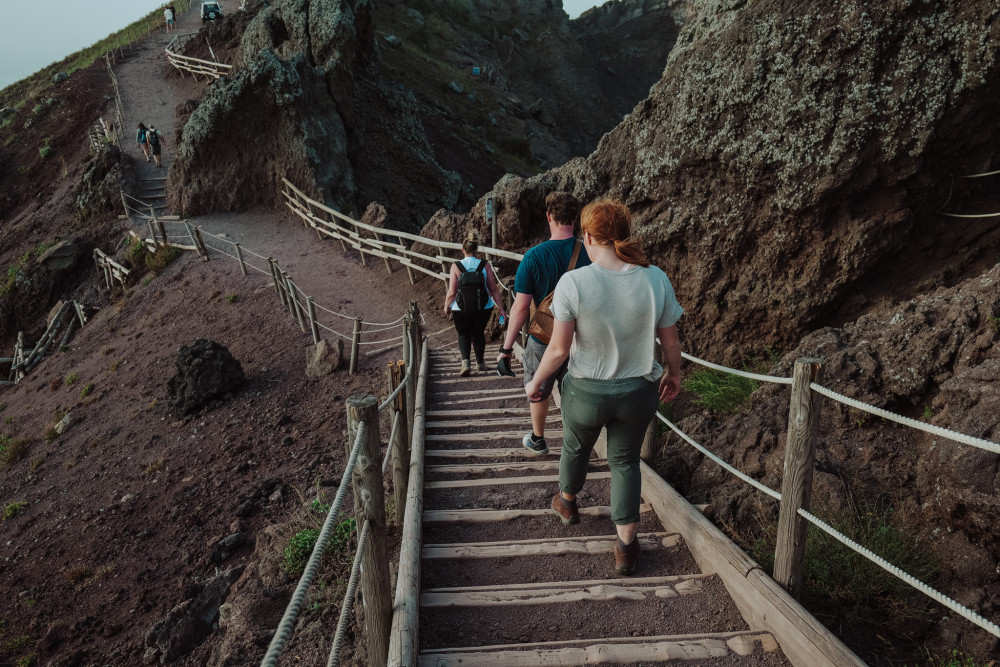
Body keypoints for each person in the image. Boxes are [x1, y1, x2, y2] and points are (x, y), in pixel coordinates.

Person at [524, 199, 683, 576]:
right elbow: (671, 342)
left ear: (590, 236)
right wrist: (673, 374)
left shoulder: (574, 282)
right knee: (625, 461)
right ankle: (626, 546)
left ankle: (566, 502)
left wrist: (536, 380)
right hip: (638, 390)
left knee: (575, 446)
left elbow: (560, 349)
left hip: (586, 391)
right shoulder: (655, 278)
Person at [496, 191, 590, 456]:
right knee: (575, 394)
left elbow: (521, 307)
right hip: (581, 341)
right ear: (575, 218)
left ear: (549, 217)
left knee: (538, 388)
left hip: (544, 339)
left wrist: (506, 348)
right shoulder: (590, 253)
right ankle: (575, 445)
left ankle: (538, 439)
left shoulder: (533, 257)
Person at [444, 231, 508, 376]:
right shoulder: (485, 265)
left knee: (463, 334)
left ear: (463, 250)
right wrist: (501, 309)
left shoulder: (456, 266)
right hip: (483, 307)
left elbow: (452, 292)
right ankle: (480, 363)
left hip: (461, 308)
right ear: (477, 250)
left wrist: (446, 305)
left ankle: (466, 362)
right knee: (478, 333)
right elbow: (493, 289)